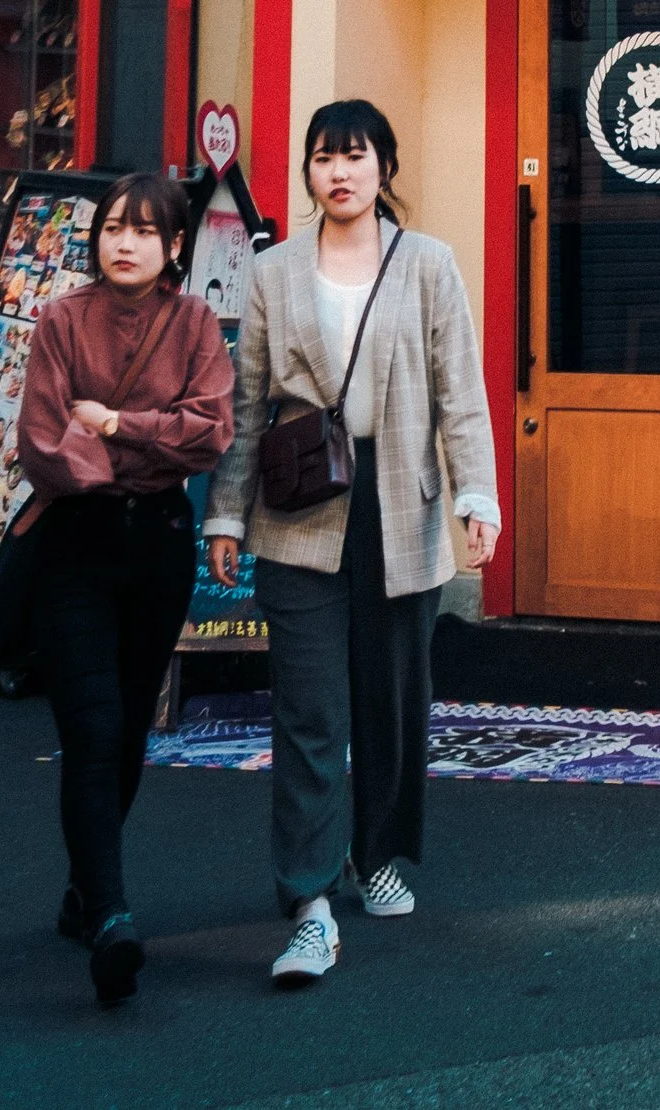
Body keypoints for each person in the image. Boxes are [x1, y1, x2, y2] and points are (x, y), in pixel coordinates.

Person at [206, 98, 499, 987]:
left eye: (356, 156)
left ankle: (377, 854)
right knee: (307, 710)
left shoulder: (429, 265)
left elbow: (461, 392)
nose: (339, 172)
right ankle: (307, 896)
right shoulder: (274, 272)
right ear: (307, 173)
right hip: (302, 506)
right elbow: (246, 402)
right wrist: (225, 512)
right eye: (324, 158)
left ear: (384, 167)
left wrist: (475, 492)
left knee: (391, 697)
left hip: (399, 502)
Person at [13, 170, 234, 1006]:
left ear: (175, 246)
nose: (125, 242)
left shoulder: (196, 322)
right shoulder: (61, 321)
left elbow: (210, 432)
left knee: (132, 721)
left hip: (162, 547)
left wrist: (113, 423)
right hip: (76, 542)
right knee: (94, 726)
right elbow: (43, 442)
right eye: (112, 228)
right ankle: (110, 913)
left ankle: (83, 887)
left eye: (144, 230)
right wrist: (140, 450)